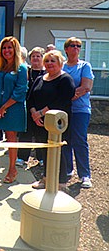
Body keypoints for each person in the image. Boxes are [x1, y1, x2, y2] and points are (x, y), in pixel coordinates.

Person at [0, 36, 27, 184]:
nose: (7, 50)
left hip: (13, 109)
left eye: (10, 47)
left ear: (16, 49)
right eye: (4, 47)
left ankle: (12, 169)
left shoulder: (21, 68)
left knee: (11, 138)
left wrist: (4, 107)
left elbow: (20, 91)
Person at [28, 50, 75, 190]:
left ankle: (61, 183)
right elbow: (30, 98)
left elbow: (62, 100)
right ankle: (46, 179)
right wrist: (34, 114)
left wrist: (41, 113)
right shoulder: (40, 78)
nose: (49, 63)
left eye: (52, 61)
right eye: (47, 61)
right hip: (40, 122)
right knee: (44, 151)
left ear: (60, 63)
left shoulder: (65, 79)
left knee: (58, 151)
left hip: (58, 124)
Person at [62, 37, 94, 188]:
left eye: (78, 46)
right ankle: (68, 170)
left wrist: (67, 98)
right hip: (64, 111)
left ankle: (85, 175)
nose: (76, 48)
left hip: (80, 110)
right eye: (72, 45)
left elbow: (85, 87)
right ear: (66, 49)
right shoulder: (61, 66)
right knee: (65, 140)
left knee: (80, 141)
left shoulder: (84, 66)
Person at [17, 47, 46, 167]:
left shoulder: (46, 73)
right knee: (25, 133)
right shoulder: (25, 71)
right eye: (33, 56)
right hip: (27, 107)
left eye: (38, 56)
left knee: (41, 133)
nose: (35, 58)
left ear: (42, 58)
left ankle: (42, 158)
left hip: (41, 109)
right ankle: (22, 158)